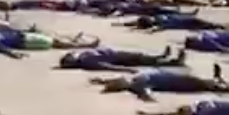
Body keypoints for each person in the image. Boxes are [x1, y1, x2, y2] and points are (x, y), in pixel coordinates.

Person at [91, 63, 229, 99]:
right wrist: (149, 98)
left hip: (176, 79)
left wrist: (101, 81)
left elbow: (117, 77)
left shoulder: (134, 79)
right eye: (118, 84)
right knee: (209, 85)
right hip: (178, 84)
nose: (120, 80)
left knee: (209, 83)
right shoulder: (137, 85)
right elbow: (145, 92)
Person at [57, 46, 185, 71]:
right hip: (119, 59)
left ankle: (162, 57)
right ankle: (174, 62)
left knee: (141, 56)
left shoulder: (82, 55)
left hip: (116, 53)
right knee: (142, 61)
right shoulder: (86, 62)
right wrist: (126, 70)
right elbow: (107, 67)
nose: (71, 55)